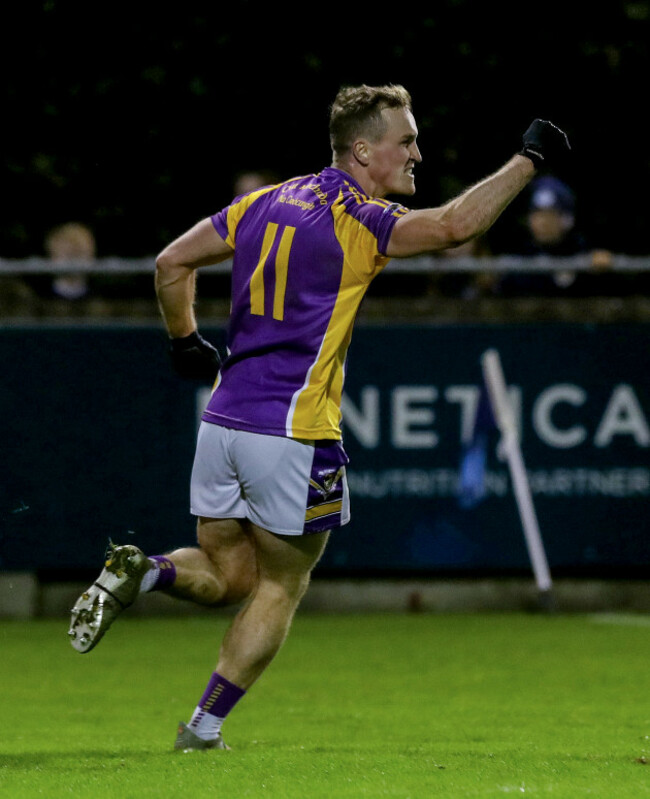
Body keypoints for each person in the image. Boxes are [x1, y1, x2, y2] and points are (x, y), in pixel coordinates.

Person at [68, 84, 570, 750]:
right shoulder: (359, 218)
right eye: (406, 141)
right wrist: (527, 160)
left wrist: (184, 340)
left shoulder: (266, 200)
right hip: (294, 431)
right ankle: (204, 726)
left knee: (229, 577)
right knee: (282, 581)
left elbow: (171, 262)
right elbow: (455, 226)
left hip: (221, 421)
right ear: (362, 150)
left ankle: (146, 570)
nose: (417, 153)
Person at [495, 175, 613, 296]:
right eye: (537, 215)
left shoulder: (581, 250)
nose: (542, 223)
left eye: (550, 216)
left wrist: (601, 268)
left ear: (567, 219)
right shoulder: (521, 253)